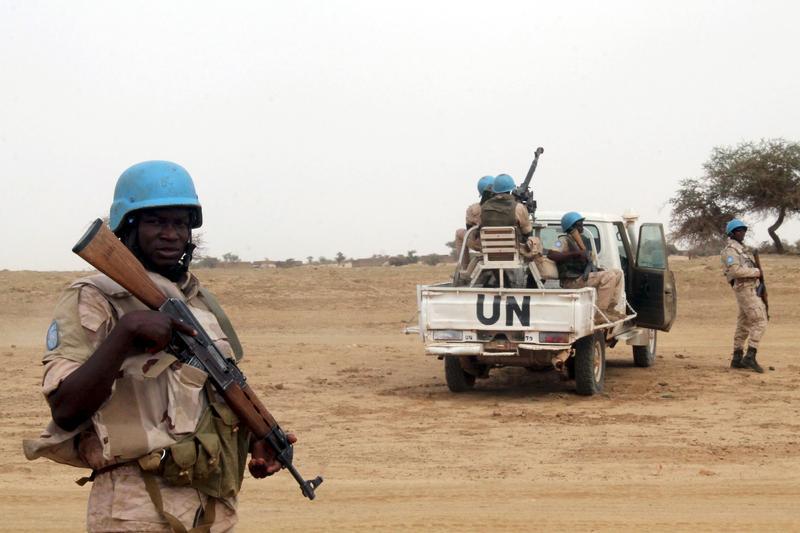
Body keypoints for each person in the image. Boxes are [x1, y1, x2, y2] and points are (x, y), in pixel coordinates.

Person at [24, 161, 290, 531]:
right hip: (136, 504)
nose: (170, 234)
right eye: (156, 222)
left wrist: (255, 439)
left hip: (212, 504)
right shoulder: (95, 297)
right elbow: (66, 408)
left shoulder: (199, 301)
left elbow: (211, 397)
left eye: (179, 223)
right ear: (127, 228)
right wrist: (126, 333)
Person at [547, 211, 625, 322]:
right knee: (609, 276)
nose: (582, 226)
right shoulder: (562, 241)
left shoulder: (580, 241)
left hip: (581, 277)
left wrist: (596, 269)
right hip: (572, 281)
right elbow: (551, 254)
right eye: (579, 224)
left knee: (618, 273)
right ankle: (599, 313)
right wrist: (576, 254)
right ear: (572, 226)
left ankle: (609, 309)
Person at [720, 218, 767, 372]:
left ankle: (737, 357)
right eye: (739, 231)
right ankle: (750, 356)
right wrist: (756, 272)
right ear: (732, 233)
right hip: (744, 289)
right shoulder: (730, 251)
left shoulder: (741, 249)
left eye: (744, 230)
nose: (743, 233)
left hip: (750, 288)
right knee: (760, 321)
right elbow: (735, 271)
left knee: (744, 323)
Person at [454, 175, 494, 272]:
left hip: (483, 245)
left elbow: (469, 231)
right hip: (509, 245)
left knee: (459, 233)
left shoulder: (473, 209)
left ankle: (464, 269)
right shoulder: (512, 207)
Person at [479, 174, 533, 240]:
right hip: (513, 248)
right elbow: (527, 232)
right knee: (536, 242)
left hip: (488, 248)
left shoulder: (484, 207)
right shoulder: (518, 208)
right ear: (511, 189)